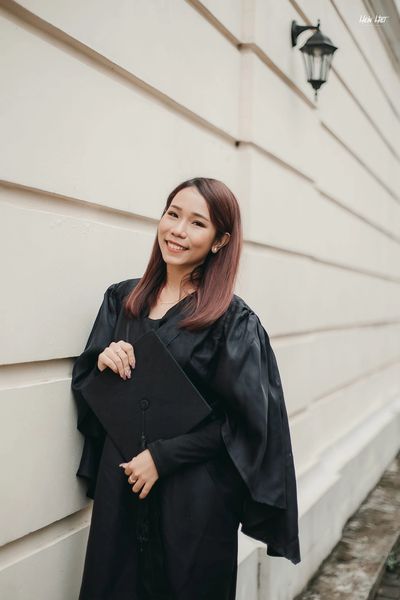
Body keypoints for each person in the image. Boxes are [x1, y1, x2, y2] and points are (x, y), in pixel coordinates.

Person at [71, 177, 301, 600]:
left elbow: (246, 423)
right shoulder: (123, 301)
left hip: (193, 499)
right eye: (173, 214)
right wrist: (103, 362)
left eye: (197, 223)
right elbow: (90, 390)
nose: (177, 230)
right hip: (122, 488)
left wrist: (162, 458)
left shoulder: (232, 322)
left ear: (220, 240)